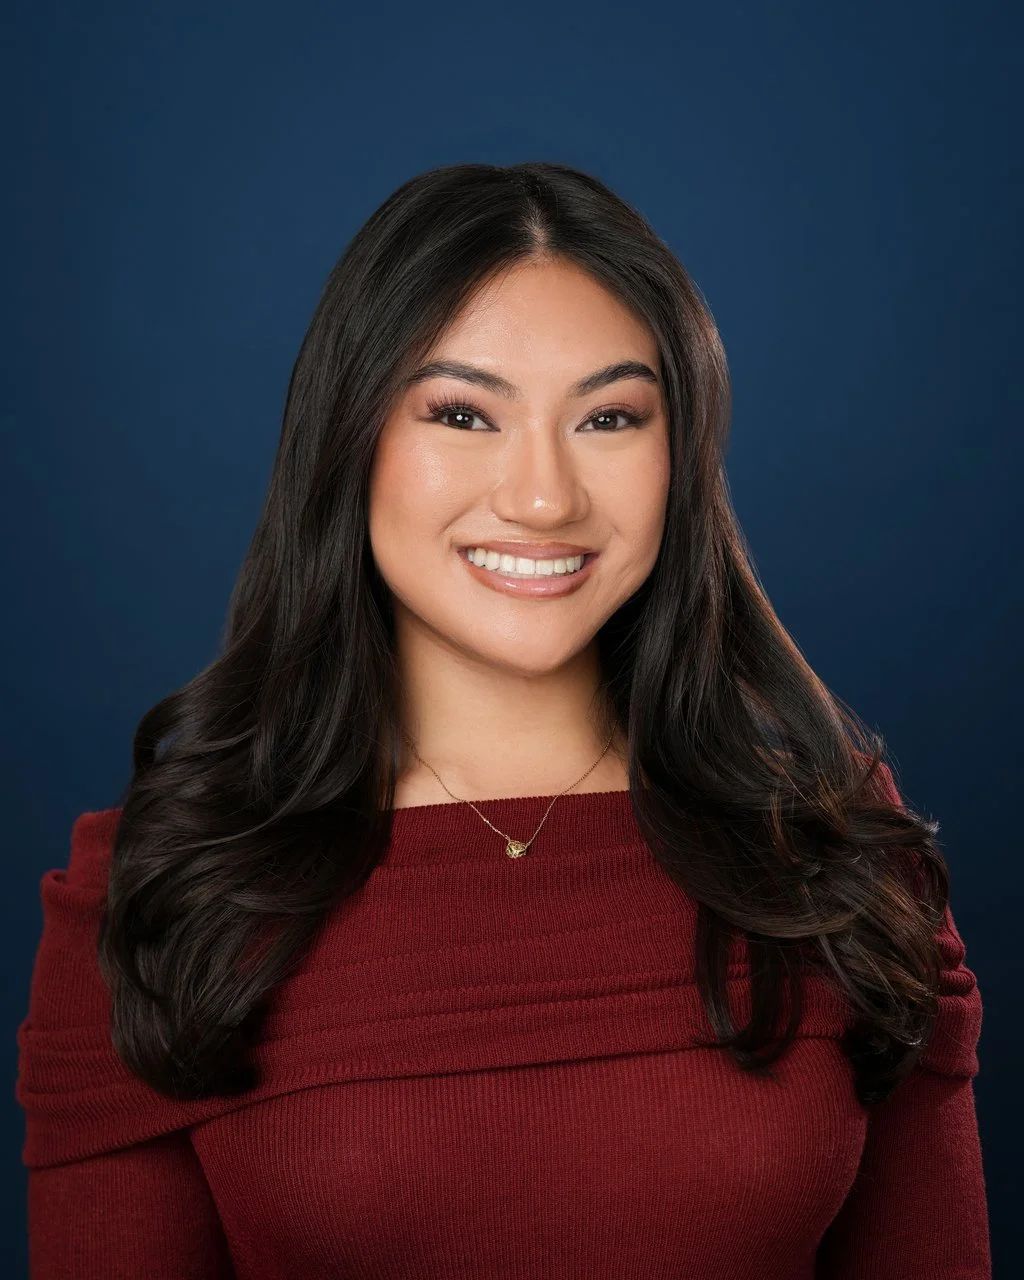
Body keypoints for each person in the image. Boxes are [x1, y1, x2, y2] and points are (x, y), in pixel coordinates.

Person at [16, 162, 991, 1278]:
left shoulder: (831, 854)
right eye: (463, 413)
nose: (542, 497)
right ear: (349, 438)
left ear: (681, 459)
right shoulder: (163, 888)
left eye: (609, 417)